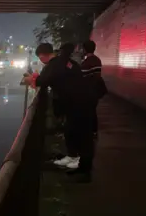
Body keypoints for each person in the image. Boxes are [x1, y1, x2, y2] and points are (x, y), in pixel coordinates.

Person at [31, 42, 95, 182]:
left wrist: (34, 78)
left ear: (43, 56)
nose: (41, 61)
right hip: (82, 101)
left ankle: (83, 169)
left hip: (77, 103)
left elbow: (42, 80)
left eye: (41, 58)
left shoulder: (54, 65)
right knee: (72, 131)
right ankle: (74, 158)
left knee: (80, 135)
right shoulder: (66, 62)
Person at [80, 40, 107, 138]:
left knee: (88, 111)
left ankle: (90, 132)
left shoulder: (87, 62)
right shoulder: (97, 60)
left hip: (89, 91)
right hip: (95, 90)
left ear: (85, 49)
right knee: (92, 110)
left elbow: (82, 76)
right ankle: (93, 131)